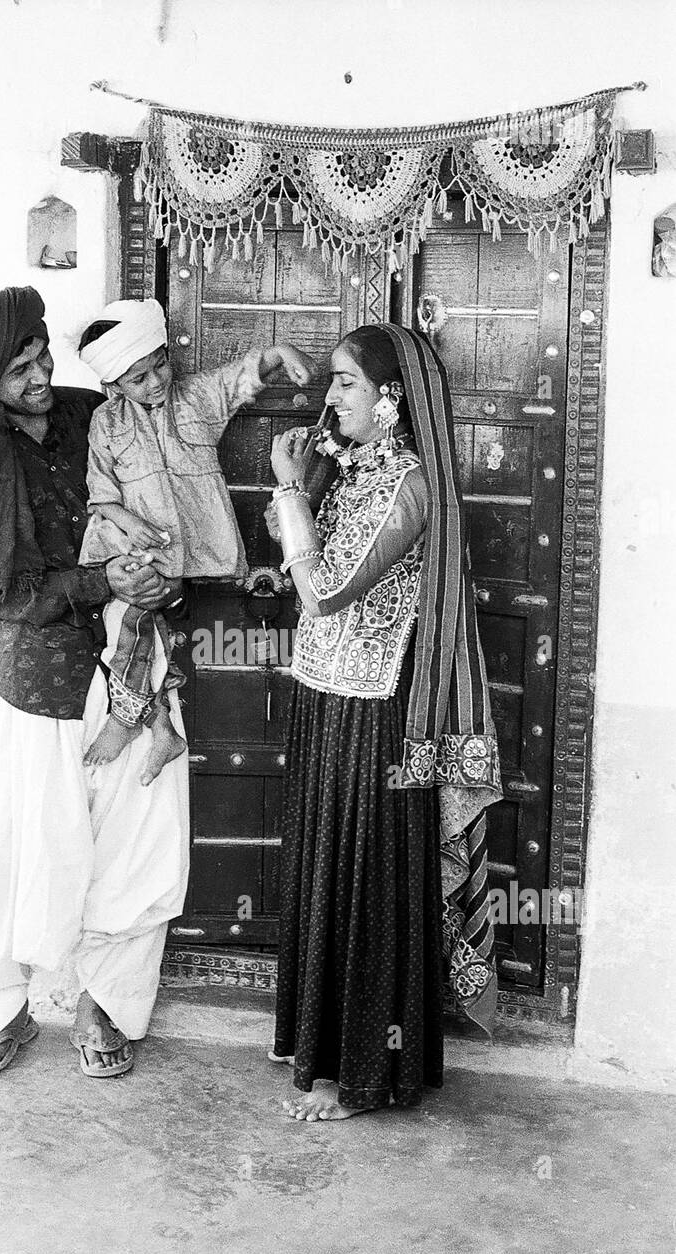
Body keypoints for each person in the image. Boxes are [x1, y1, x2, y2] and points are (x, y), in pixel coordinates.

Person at [0, 285, 189, 1079]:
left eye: (42, 355)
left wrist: (155, 582)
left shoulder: (95, 417)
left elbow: (167, 502)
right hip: (35, 686)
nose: (41, 374)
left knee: (140, 844)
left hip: (132, 663)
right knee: (22, 853)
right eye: (19, 369)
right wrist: (101, 580)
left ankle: (104, 1006)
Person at [266, 322, 502, 1121]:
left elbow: (327, 591)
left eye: (346, 384)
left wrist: (289, 489)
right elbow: (305, 565)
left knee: (364, 882)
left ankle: (364, 1073)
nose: (329, 398)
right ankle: (321, 1052)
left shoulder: (407, 485)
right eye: (332, 382)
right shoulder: (359, 470)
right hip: (328, 696)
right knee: (327, 871)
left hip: (376, 716)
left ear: (392, 399)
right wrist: (302, 492)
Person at [76, 298, 316, 784]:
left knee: (142, 618)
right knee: (136, 620)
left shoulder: (195, 396)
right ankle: (159, 725)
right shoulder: (107, 421)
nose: (155, 381)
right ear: (113, 385)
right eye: (137, 379)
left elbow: (241, 375)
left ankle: (132, 718)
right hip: (133, 546)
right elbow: (99, 493)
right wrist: (127, 518)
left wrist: (282, 351)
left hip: (192, 546)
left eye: (159, 365)